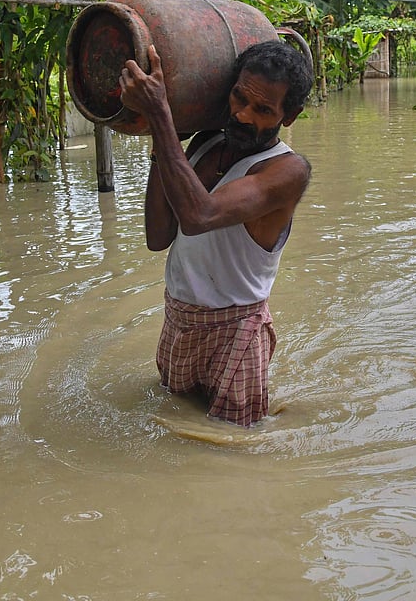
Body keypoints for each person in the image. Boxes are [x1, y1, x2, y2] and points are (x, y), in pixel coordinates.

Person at [118, 39, 313, 426]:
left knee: (234, 450)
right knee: (172, 427)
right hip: (179, 319)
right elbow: (158, 237)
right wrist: (161, 136)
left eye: (262, 110)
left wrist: (160, 115)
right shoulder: (205, 142)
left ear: (287, 117)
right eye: (238, 98)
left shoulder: (287, 171)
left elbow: (198, 215)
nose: (241, 115)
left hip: (236, 330)